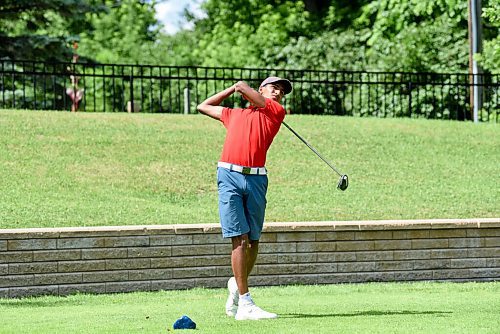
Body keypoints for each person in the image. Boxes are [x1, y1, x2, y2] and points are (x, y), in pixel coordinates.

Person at [197, 77, 292, 320]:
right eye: (274, 88)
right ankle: (245, 303)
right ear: (261, 90)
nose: (279, 93)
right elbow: (203, 106)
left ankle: (236, 285)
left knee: (254, 240)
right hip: (228, 175)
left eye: (282, 91)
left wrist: (241, 87)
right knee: (238, 239)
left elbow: (243, 87)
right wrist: (232, 89)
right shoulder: (233, 115)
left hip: (257, 179)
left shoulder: (276, 112)